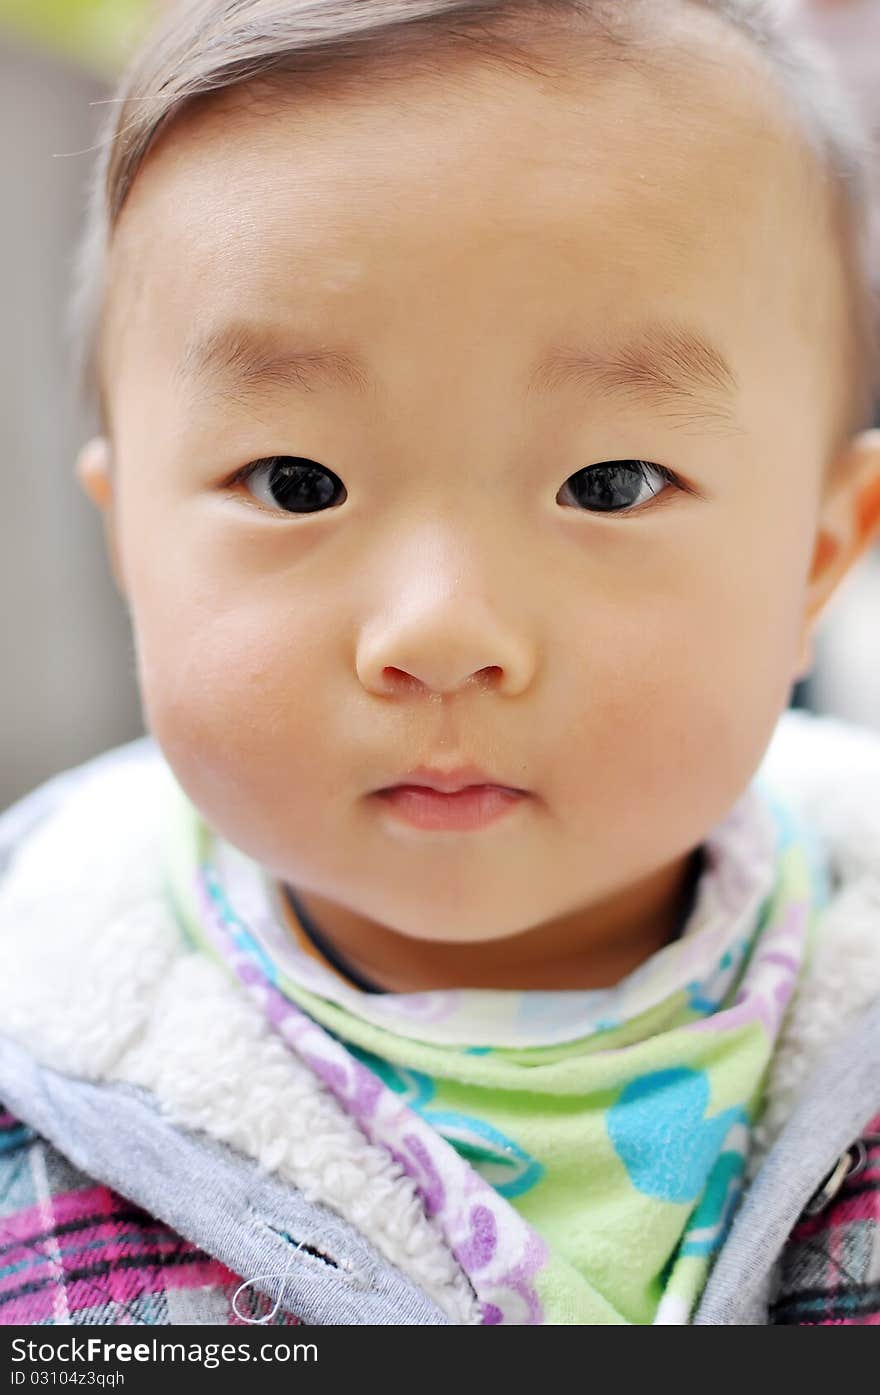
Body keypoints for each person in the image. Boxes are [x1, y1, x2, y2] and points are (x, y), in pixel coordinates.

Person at [1, 0, 879, 1327]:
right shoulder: (43, 1039)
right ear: (129, 538)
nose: (443, 631)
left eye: (611, 480)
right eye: (296, 482)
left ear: (820, 554)